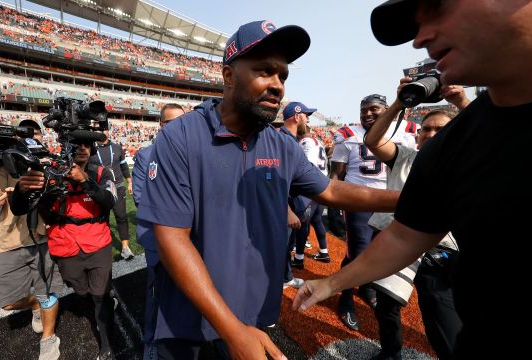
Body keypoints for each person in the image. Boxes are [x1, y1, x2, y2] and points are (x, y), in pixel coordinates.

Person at [294, 1, 532, 358]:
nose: (419, 40)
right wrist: (331, 282)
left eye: (438, 6)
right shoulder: (453, 145)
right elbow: (407, 233)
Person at [138, 20, 399, 360]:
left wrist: (409, 199)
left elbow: (332, 193)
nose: (278, 85)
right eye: (265, 71)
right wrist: (233, 332)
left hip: (251, 312)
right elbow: (171, 238)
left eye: (283, 76)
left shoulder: (281, 145)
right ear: (229, 76)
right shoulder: (181, 137)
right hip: (189, 320)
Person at [363, 78, 469, 360]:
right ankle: (390, 351)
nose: (431, 134)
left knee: (439, 312)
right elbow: (372, 140)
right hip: (395, 242)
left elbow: (494, 135)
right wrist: (399, 103)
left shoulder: (468, 161)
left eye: (440, 129)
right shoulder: (405, 157)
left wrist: (460, 102)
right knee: (386, 304)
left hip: (438, 250)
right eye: (426, 129)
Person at [11, 138, 118, 360]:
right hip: (64, 246)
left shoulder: (101, 172)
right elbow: (19, 208)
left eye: (86, 145)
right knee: (81, 291)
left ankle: (106, 344)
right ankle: (99, 302)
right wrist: (21, 190)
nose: (81, 148)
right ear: (64, 148)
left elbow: (110, 200)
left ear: (91, 149)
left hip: (98, 243)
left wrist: (86, 180)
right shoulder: (50, 174)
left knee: (100, 295)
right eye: (75, 144)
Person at [330, 94, 416, 331]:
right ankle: (346, 298)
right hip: (359, 201)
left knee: (383, 251)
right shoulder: (348, 133)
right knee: (358, 252)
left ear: (388, 109)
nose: (367, 114)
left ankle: (367, 287)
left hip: (392, 201)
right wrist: (334, 204)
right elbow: (337, 172)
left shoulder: (407, 129)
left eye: (374, 110)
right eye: (363, 111)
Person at [0, 134, 63, 359]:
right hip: (5, 242)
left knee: (48, 292)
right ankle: (34, 304)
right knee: (4, 302)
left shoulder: (35, 165)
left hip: (39, 237)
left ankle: (49, 337)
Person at [132, 102, 185, 360]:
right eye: (171, 122)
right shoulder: (145, 155)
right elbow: (142, 198)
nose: (178, 128)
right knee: (156, 293)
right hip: (159, 239)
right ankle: (150, 341)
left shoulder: (193, 154)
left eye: (182, 122)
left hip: (191, 239)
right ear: (161, 126)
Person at [279, 102, 316, 287]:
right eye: (306, 115)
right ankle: (280, 280)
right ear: (297, 115)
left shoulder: (290, 140)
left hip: (292, 204)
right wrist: (286, 210)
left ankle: (285, 276)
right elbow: (274, 179)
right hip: (283, 206)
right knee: (280, 246)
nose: (308, 119)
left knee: (287, 245)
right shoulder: (283, 141)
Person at [89, 126, 134, 260]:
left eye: (103, 129)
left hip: (118, 187)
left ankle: (125, 248)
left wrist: (130, 182)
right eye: (98, 130)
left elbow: (124, 166)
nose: (101, 132)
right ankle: (103, 247)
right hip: (100, 189)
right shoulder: (91, 149)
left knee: (121, 217)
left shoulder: (116, 147)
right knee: (102, 218)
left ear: (108, 131)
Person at [297, 119, 330, 263]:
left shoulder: (305, 143)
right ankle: (324, 252)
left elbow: (307, 165)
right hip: (322, 185)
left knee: (303, 222)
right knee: (317, 220)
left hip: (311, 187)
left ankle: (298, 258)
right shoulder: (318, 142)